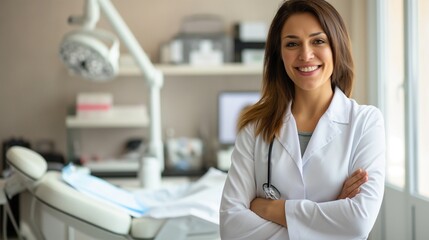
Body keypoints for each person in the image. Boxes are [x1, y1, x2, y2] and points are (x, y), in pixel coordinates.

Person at [219, 0, 385, 239]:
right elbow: (232, 228)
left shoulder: (365, 122)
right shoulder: (255, 128)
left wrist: (267, 207)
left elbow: (358, 222)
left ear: (336, 46)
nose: (305, 55)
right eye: (292, 43)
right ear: (280, 54)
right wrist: (328, 219)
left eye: (318, 41)